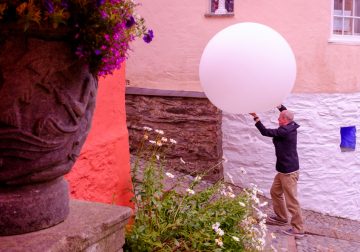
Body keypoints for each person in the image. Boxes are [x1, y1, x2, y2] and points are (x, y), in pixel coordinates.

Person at [249, 105, 305, 238]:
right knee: (275, 192)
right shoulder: (292, 124)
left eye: (279, 118)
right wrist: (279, 105)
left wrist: (256, 117)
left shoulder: (284, 131)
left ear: (285, 120)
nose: (277, 119)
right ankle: (281, 218)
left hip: (288, 172)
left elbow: (265, 132)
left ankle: (299, 229)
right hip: (282, 170)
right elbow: (285, 113)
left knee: (292, 201)